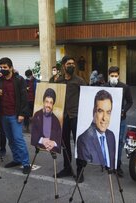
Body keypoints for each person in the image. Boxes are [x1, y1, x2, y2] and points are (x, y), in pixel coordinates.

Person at [55, 55, 87, 183]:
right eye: (69, 64)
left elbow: (86, 97)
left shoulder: (79, 81)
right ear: (63, 66)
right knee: (65, 144)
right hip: (63, 117)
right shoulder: (58, 81)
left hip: (76, 117)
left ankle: (80, 170)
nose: (71, 66)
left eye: (73, 64)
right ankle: (67, 168)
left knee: (79, 144)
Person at [0, 57, 31, 174]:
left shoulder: (19, 80)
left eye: (5, 67)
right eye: (1, 67)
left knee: (18, 139)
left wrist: (22, 113)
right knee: (10, 139)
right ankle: (17, 159)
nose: (3, 69)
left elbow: (24, 98)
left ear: (11, 67)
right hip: (3, 115)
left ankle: (26, 163)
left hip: (15, 115)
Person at [104, 66, 133, 177]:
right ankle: (108, 163)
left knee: (119, 142)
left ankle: (117, 165)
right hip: (107, 119)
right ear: (109, 76)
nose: (114, 78)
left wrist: (123, 110)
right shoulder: (104, 87)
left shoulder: (125, 87)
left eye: (116, 76)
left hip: (121, 119)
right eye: (112, 76)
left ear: (119, 76)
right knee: (107, 140)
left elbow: (130, 102)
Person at [77, 90, 116, 169]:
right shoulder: (84, 140)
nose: (104, 118)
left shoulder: (111, 136)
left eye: (108, 112)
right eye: (100, 111)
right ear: (94, 112)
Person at [31, 88, 62, 153]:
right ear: (43, 102)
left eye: (51, 103)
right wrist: (42, 140)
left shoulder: (56, 120)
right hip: (40, 144)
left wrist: (54, 143)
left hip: (52, 147)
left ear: (53, 104)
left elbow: (59, 137)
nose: (48, 105)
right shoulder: (37, 115)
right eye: (47, 102)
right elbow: (33, 133)